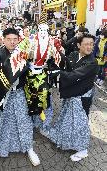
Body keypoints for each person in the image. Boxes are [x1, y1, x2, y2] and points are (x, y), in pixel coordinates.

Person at [0, 28, 40, 166]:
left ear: (18, 40)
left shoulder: (24, 53)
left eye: (15, 39)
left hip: (19, 93)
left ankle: (29, 148)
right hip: (4, 95)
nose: (12, 42)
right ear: (4, 39)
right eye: (9, 39)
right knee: (1, 122)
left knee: (24, 121)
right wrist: (9, 62)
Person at [45, 33, 98, 162]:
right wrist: (55, 53)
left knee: (80, 124)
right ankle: (66, 141)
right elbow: (65, 64)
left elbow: (72, 75)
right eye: (86, 44)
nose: (89, 47)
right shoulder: (75, 55)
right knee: (68, 120)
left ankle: (83, 149)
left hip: (81, 97)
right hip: (73, 94)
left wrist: (56, 72)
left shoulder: (92, 62)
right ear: (79, 45)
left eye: (91, 44)